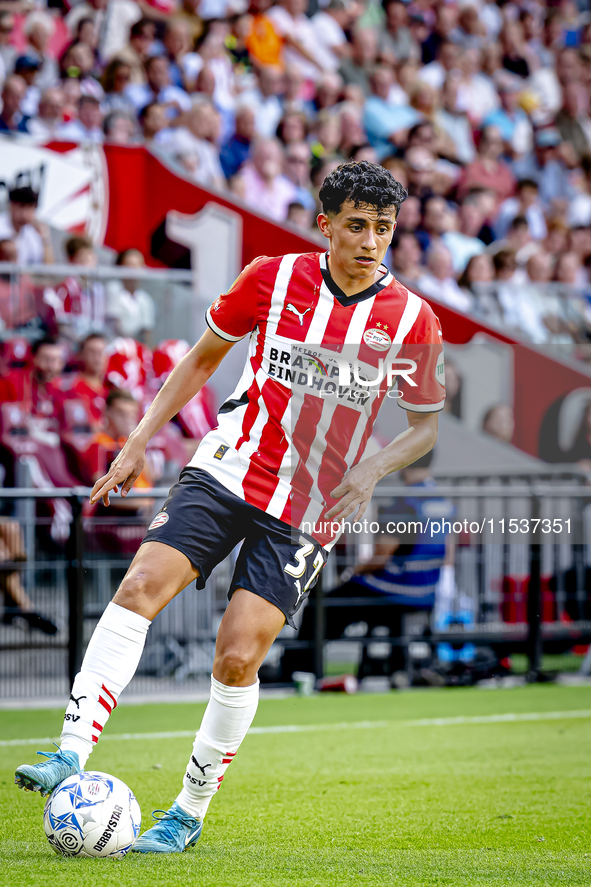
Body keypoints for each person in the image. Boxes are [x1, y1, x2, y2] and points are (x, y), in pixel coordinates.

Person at [14, 161, 445, 856]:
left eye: (384, 229)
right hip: (226, 468)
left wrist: (372, 466)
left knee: (238, 657)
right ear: (325, 223)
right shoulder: (271, 278)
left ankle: (185, 813)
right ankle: (70, 750)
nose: (371, 241)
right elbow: (201, 358)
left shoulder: (412, 319)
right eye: (358, 225)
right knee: (137, 588)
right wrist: (137, 442)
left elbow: (424, 422)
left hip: (308, 504)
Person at [106, 248, 157, 343]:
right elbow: (115, 325)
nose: (134, 269)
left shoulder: (145, 299)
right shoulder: (113, 289)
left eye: (138, 265)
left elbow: (147, 331)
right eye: (129, 264)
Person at [0, 186, 53, 266]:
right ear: (11, 205)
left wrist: (45, 240)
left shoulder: (33, 232)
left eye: (30, 208)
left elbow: (48, 268)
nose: (25, 214)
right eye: (21, 206)